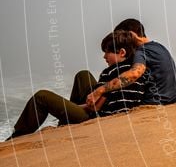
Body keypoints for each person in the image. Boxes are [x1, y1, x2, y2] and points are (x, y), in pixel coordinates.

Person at [8, 31, 147, 139]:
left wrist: (66, 108)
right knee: (83, 75)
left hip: (99, 117)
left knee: (42, 97)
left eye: (107, 52)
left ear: (122, 52)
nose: (104, 56)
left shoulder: (112, 72)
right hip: (116, 110)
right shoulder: (135, 70)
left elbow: (94, 107)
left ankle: (17, 136)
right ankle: (66, 120)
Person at [87, 18, 176, 109]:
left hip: (153, 105)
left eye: (124, 36)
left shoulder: (141, 51)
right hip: (171, 102)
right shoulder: (160, 47)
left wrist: (100, 90)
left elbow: (134, 73)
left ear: (131, 34)